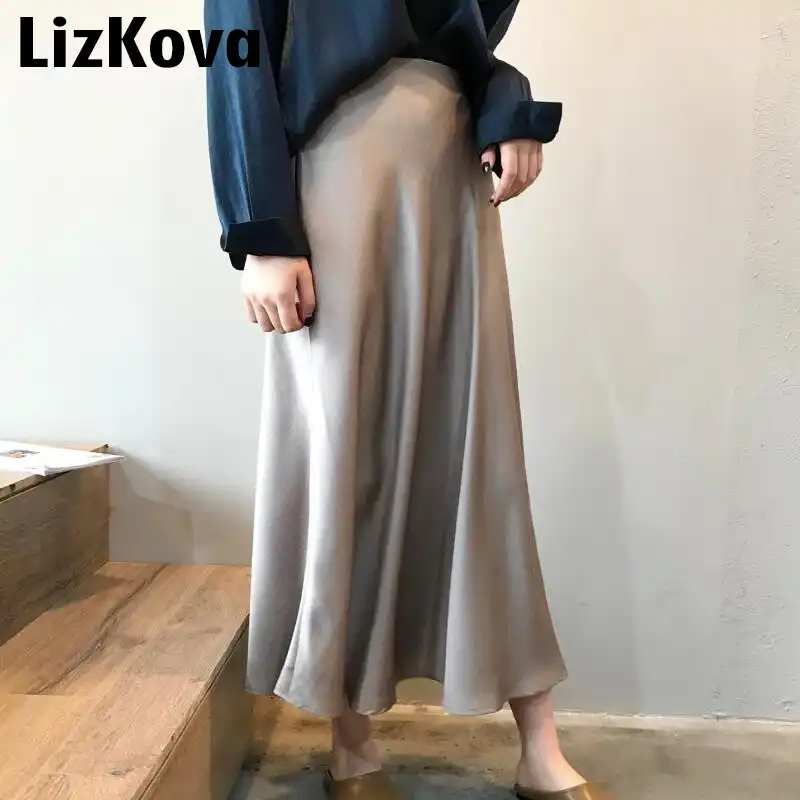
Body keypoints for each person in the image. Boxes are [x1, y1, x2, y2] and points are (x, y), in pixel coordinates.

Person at [204, 2, 615, 799]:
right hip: (340, 171)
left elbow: (462, 43)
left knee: (480, 449)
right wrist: (259, 230)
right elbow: (238, 43)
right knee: (348, 450)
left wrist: (505, 104)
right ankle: (352, 740)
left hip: (450, 179)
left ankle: (538, 742)